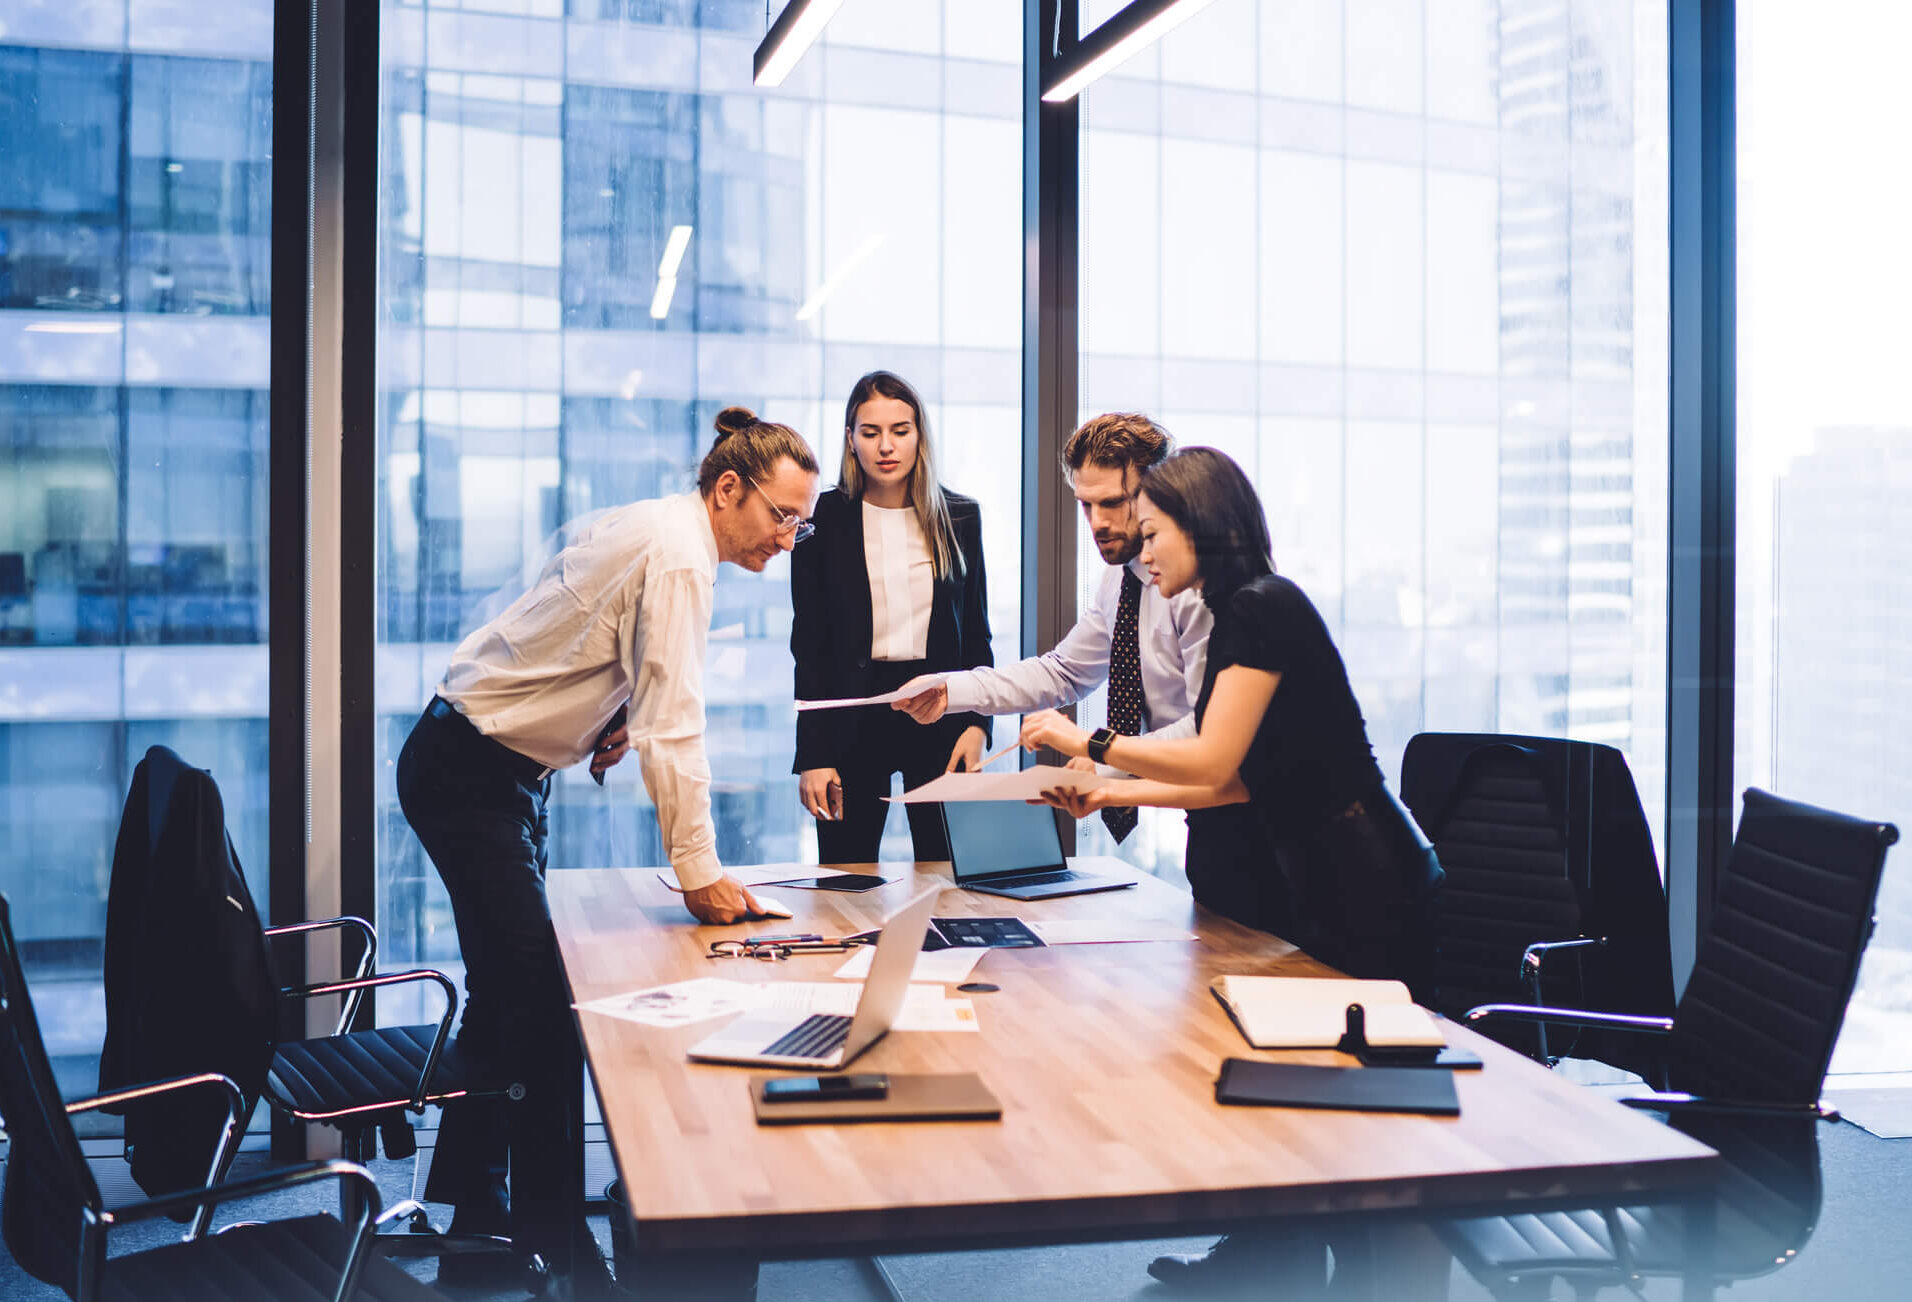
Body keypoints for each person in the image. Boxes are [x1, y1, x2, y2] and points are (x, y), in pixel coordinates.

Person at [396, 406, 818, 1298]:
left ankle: (474, 1212)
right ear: (728, 490)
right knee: (545, 1006)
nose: (789, 538)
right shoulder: (679, 556)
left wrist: (602, 707)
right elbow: (678, 727)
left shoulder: (657, 525)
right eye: (781, 516)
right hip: (471, 775)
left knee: (507, 994)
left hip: (480, 766)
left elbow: (575, 620)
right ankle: (553, 1245)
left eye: (802, 522)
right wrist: (700, 872)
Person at [1021, 447, 1444, 1293]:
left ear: (1201, 525)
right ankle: (1282, 1259)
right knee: (1301, 1087)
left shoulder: (1260, 609)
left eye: (1151, 532)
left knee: (1369, 1116)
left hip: (1367, 878)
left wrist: (1088, 741)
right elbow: (1231, 780)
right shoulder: (1237, 607)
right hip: (1321, 873)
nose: (1140, 553)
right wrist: (1105, 792)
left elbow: (1212, 757)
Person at [891, 413, 1288, 937]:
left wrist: (1098, 756)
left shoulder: (1209, 594)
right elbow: (1063, 670)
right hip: (1206, 818)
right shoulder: (1120, 582)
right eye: (1085, 504)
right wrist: (952, 689)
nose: (1097, 522)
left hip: (1268, 831)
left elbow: (1212, 737)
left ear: (1160, 494)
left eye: (1113, 503)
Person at [790, 370, 992, 863]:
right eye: (871, 432)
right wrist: (813, 756)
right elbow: (809, 646)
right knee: (846, 880)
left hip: (940, 712)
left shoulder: (960, 516)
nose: (886, 446)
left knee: (949, 878)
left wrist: (979, 725)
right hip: (850, 720)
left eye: (900, 431)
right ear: (850, 438)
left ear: (919, 435)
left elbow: (978, 635)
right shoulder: (822, 519)